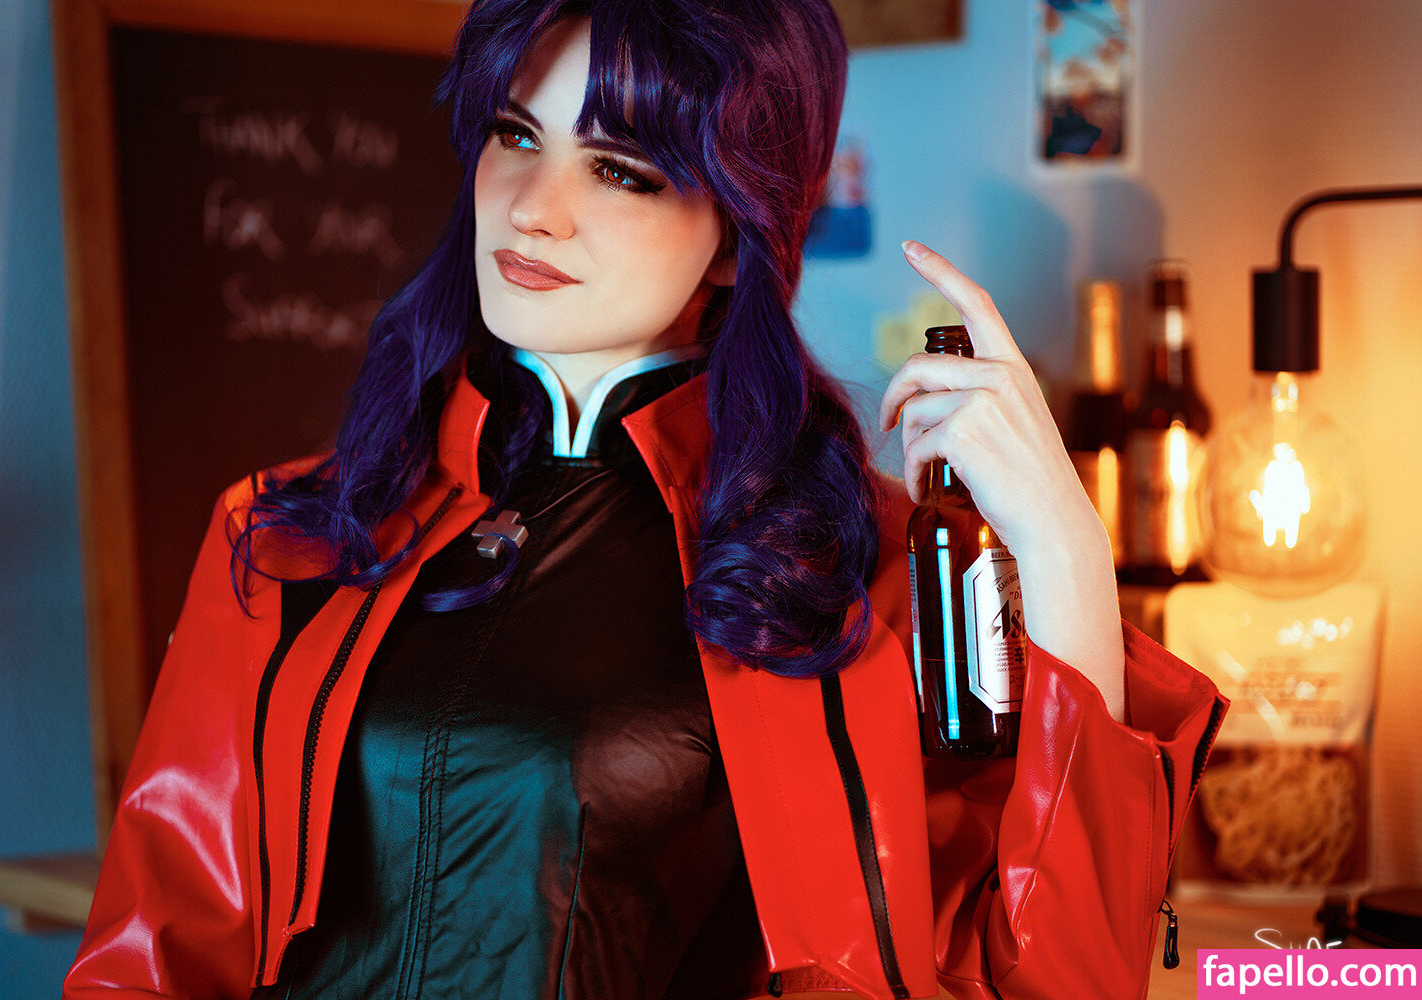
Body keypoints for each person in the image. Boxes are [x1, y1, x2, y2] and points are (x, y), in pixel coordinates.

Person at [63, 1, 1228, 998]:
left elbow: (1050, 976)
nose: (534, 206)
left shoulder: (851, 578)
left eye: (619, 168)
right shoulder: (287, 535)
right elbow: (147, 960)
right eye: (516, 133)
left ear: (735, 235)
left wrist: (1066, 555)